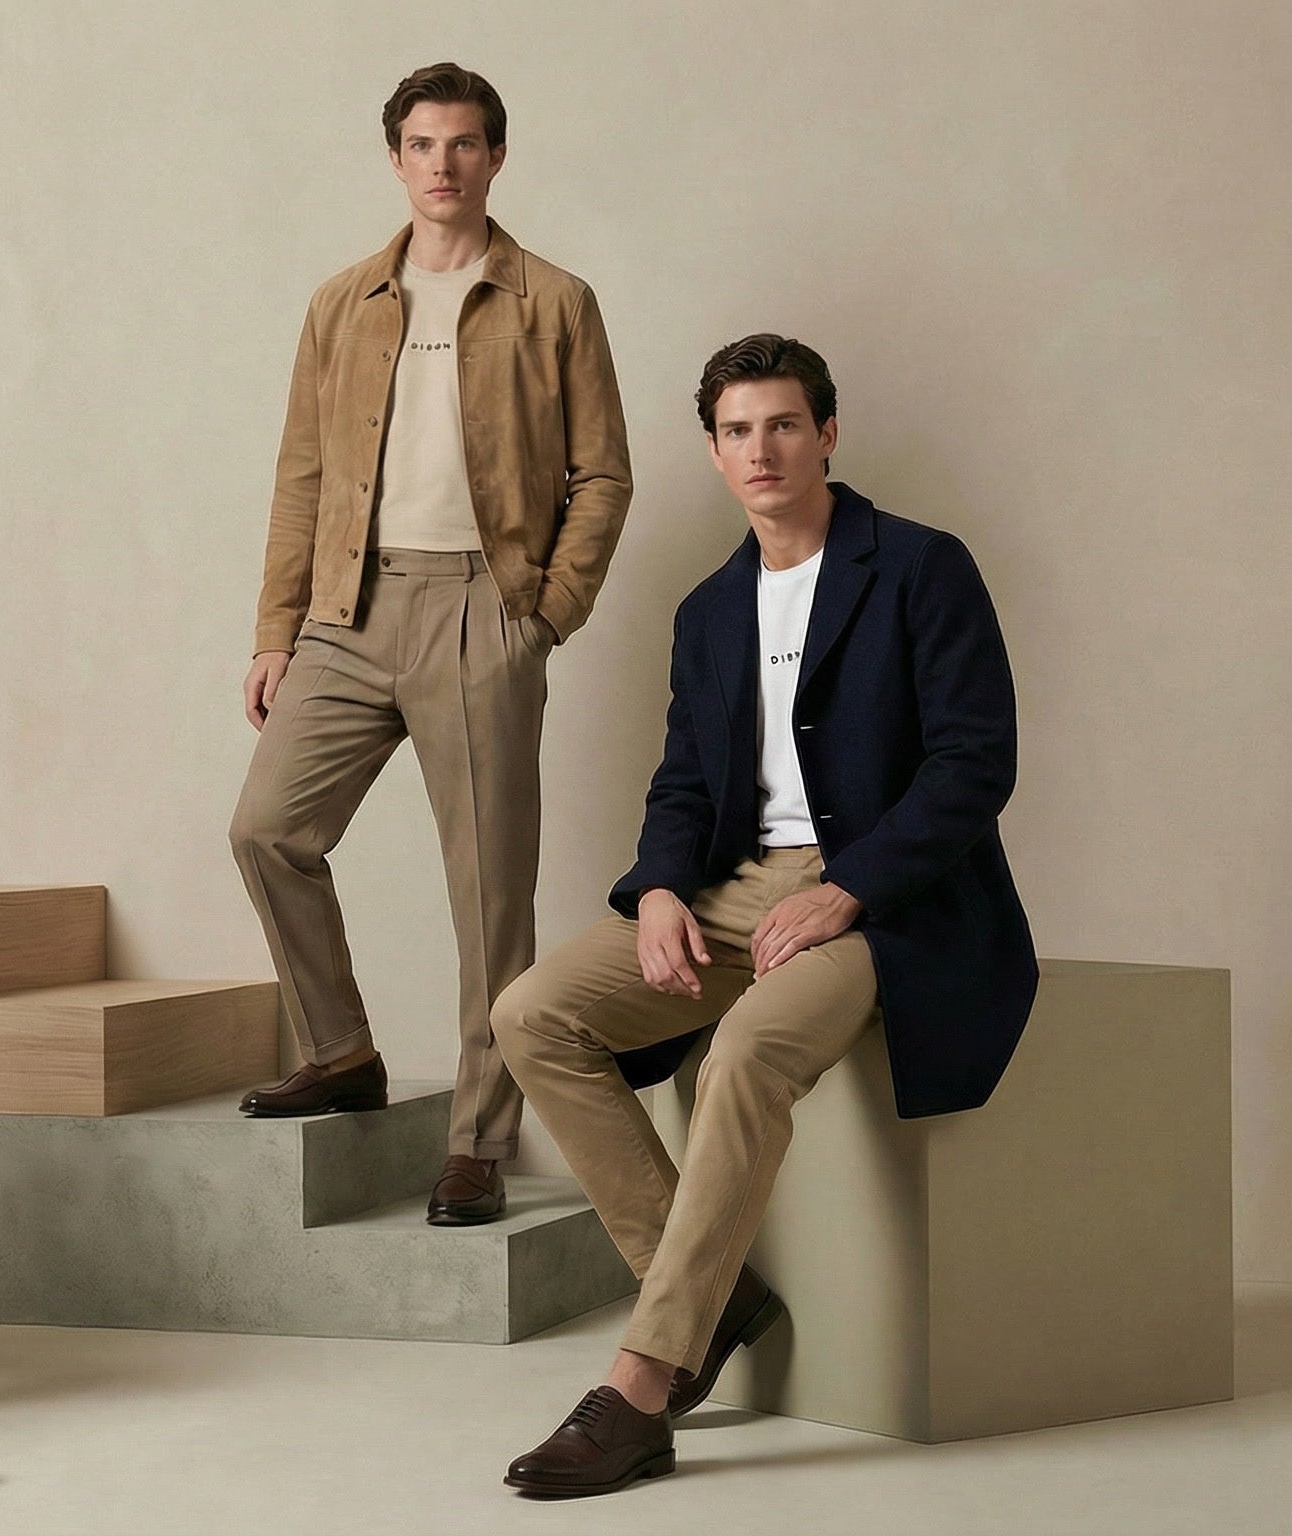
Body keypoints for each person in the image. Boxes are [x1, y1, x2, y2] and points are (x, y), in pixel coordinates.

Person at [494, 336, 1037, 1495]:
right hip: (729, 890)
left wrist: (851, 889)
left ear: (827, 433)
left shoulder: (920, 568)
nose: (762, 450)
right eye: (737, 431)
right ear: (713, 451)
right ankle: (711, 1297)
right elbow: (686, 784)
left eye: (783, 424)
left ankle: (643, 1384)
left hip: (889, 900)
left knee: (745, 1053)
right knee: (531, 1014)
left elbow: (971, 763)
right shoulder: (708, 611)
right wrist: (650, 894)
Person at [229, 62, 632, 1225]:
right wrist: (277, 628)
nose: (441, 164)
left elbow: (602, 473)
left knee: (488, 896)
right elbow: (301, 474)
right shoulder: (342, 301)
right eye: (420, 143)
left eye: (462, 144)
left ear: (495, 157)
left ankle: (477, 1140)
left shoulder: (555, 300)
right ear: (394, 158)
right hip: (348, 610)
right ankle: (341, 1049)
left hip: (481, 606)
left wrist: (541, 616)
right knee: (266, 831)